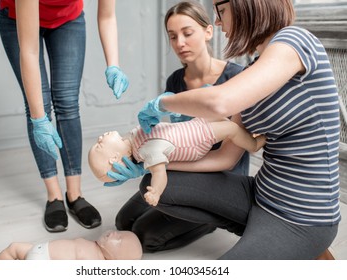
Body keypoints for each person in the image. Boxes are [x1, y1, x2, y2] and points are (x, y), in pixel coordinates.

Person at [135, 0, 340, 260]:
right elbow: (226, 158)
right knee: (155, 185)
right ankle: (267, 238)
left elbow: (219, 101)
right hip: (262, 194)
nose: (218, 21)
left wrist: (160, 103)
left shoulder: (295, 40)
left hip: (302, 217)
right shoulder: (253, 69)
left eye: (220, 11)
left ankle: (297, 244)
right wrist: (154, 163)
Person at [108, 1, 252, 252]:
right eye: (173, 37)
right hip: (184, 169)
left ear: (208, 32)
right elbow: (171, 140)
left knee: (146, 237)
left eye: (187, 33)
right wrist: (140, 155)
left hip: (220, 175)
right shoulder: (176, 80)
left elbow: (228, 159)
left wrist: (151, 167)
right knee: (124, 221)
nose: (180, 43)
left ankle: (211, 218)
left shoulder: (236, 79)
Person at [0, 0, 129, 232]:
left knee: (68, 104)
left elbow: (107, 16)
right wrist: (39, 120)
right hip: (17, 18)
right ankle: (54, 196)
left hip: (68, 20)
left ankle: (75, 195)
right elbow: (28, 51)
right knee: (39, 106)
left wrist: (114, 65)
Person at [88, 117, 265, 206]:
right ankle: (254, 144)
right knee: (231, 128)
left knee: (220, 116)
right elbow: (160, 174)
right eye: (99, 146)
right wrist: (155, 192)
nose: (99, 138)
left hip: (193, 125)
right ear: (114, 158)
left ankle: (251, 130)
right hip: (196, 140)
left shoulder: (133, 138)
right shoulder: (147, 151)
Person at [0, 230, 142, 260]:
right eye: (119, 231)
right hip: (38, 250)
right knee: (14, 247)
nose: (116, 233)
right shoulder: (93, 245)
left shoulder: (95, 262)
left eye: (120, 240)